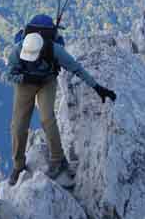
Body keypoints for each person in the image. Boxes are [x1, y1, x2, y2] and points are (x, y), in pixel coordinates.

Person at [8, 15, 116, 186]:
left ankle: (58, 159)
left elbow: (77, 69)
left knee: (47, 118)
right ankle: (18, 165)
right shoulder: (17, 51)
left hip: (46, 81)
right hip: (25, 83)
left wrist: (98, 88)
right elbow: (10, 74)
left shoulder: (55, 51)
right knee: (18, 125)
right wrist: (24, 77)